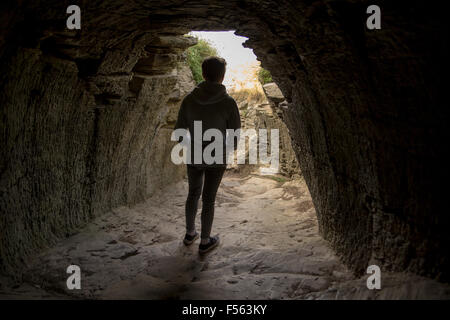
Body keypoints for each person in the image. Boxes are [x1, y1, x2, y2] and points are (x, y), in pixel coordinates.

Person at [174, 56, 241, 254]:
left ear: (203, 74)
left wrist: (192, 145)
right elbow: (234, 134)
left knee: (193, 194)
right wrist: (225, 150)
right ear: (222, 76)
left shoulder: (189, 99)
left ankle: (189, 234)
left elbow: (179, 131)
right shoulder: (228, 103)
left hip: (194, 154)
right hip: (216, 156)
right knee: (209, 199)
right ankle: (205, 241)